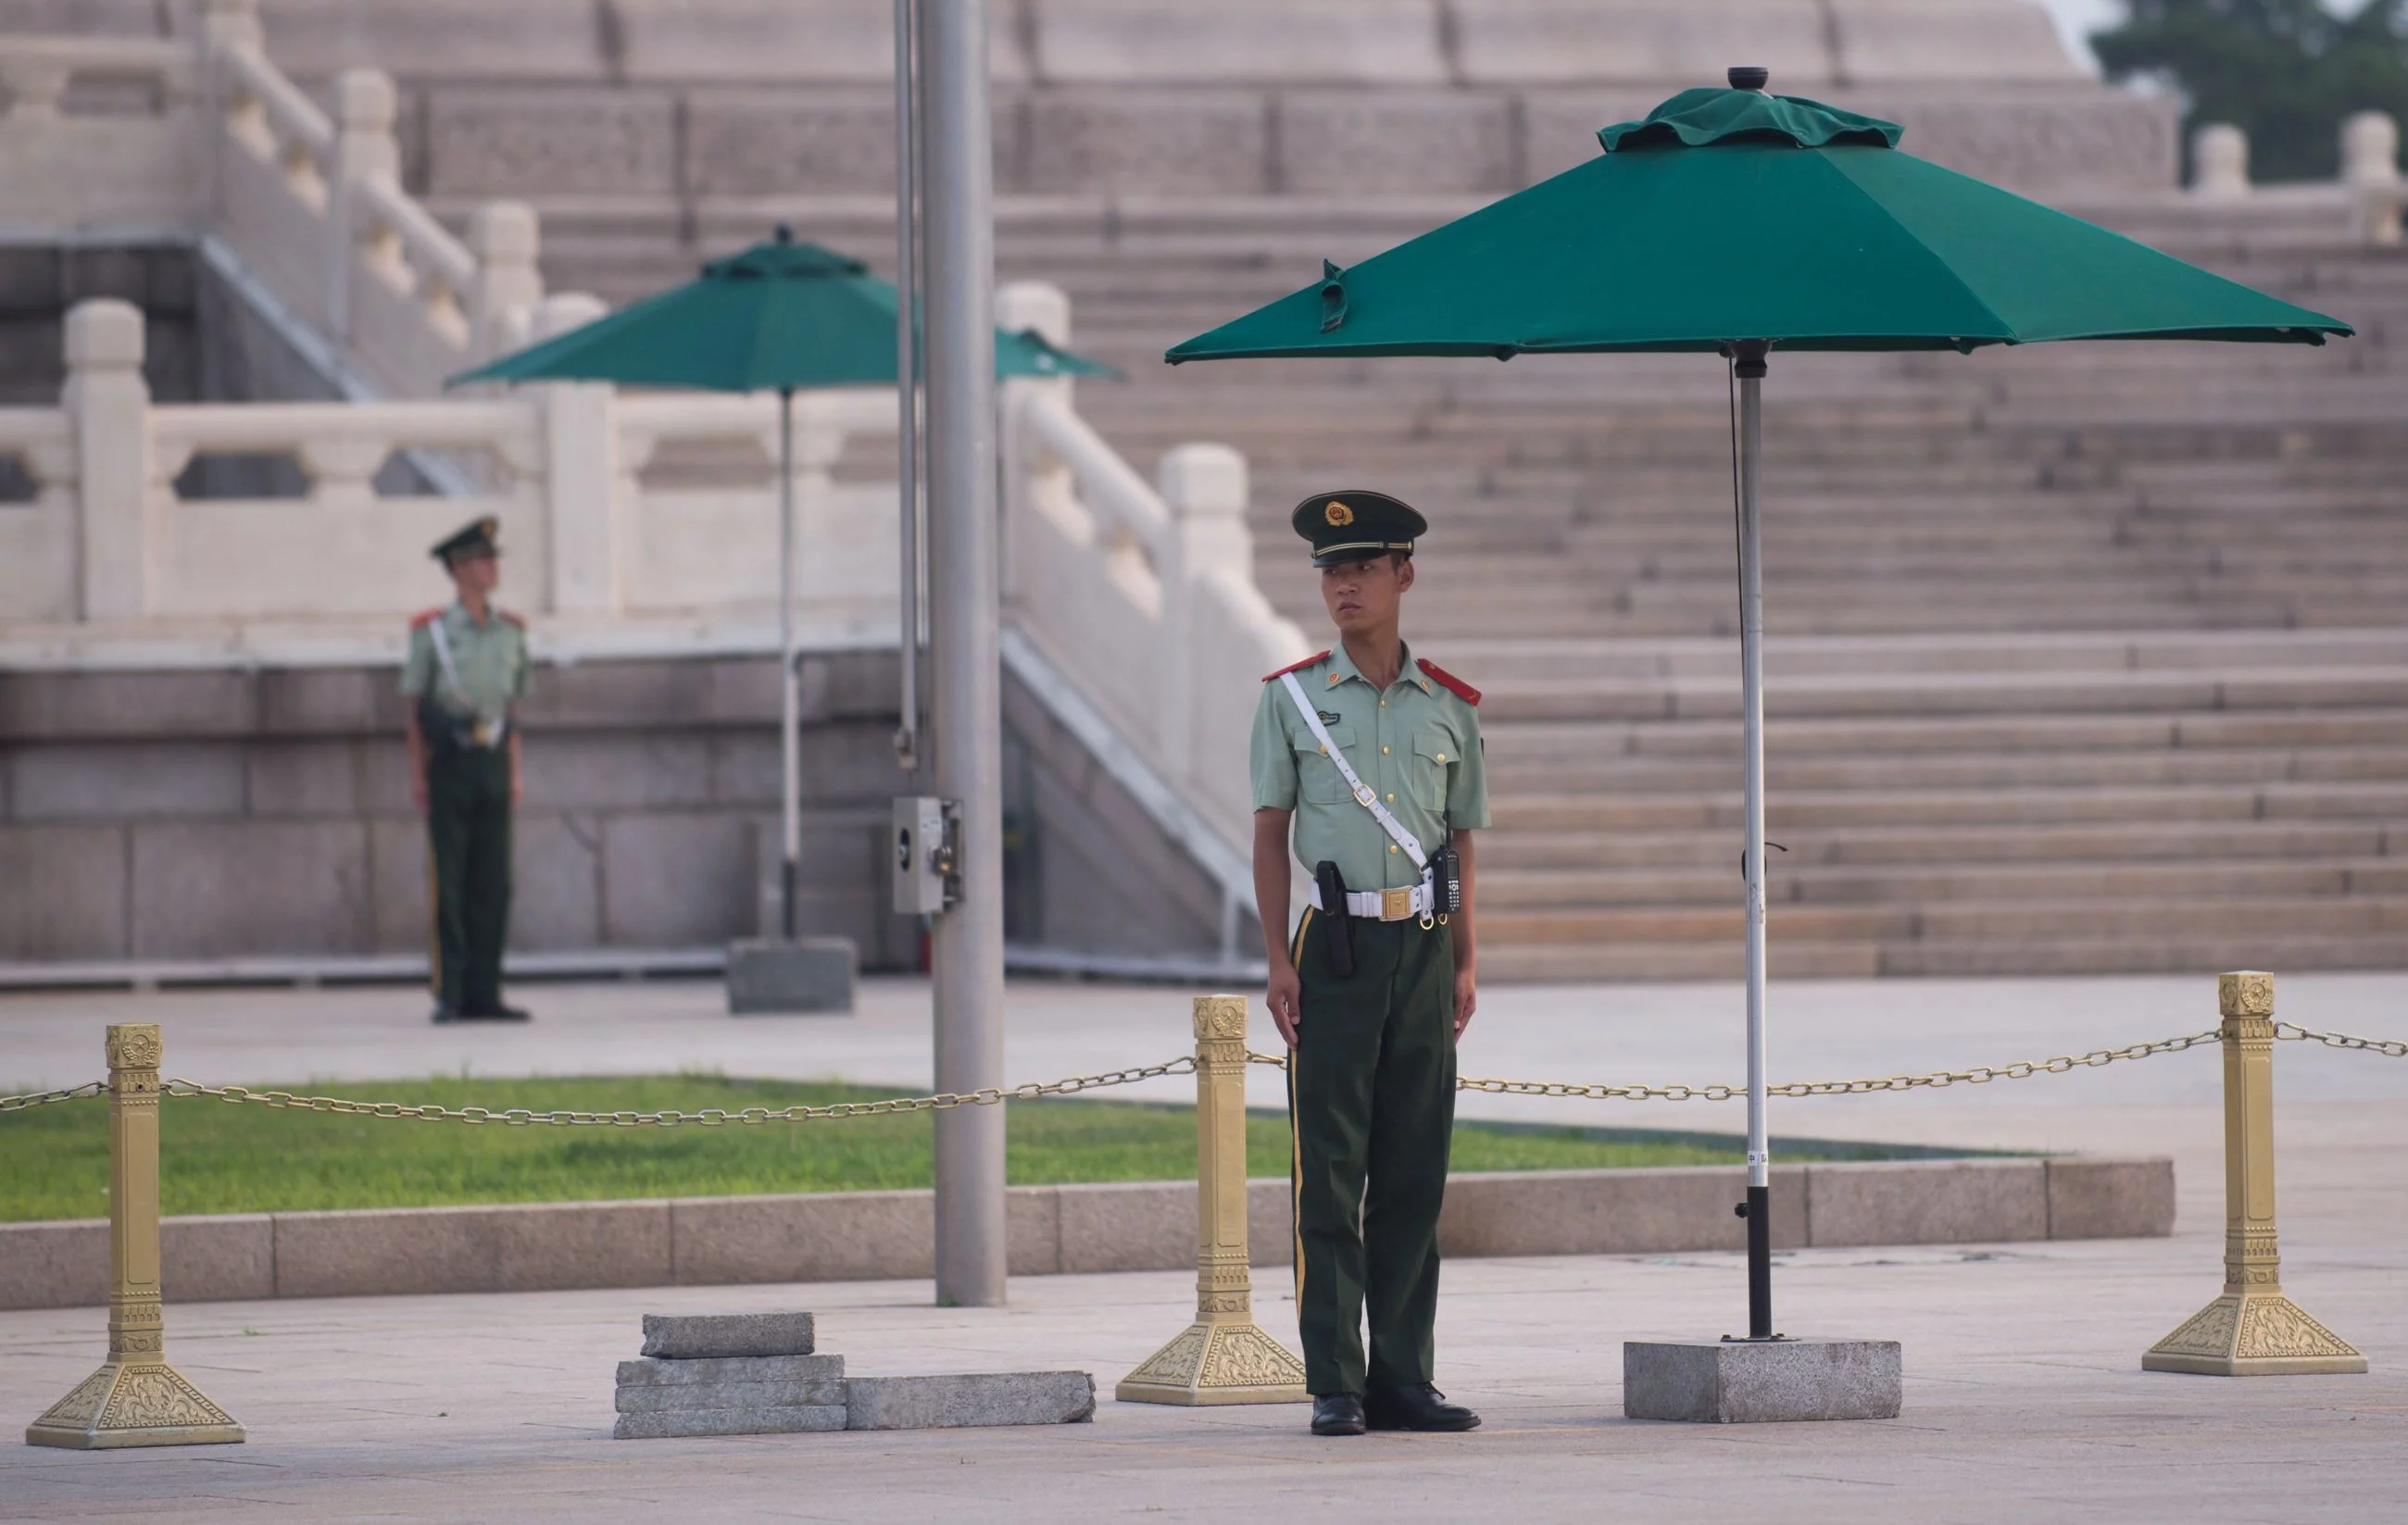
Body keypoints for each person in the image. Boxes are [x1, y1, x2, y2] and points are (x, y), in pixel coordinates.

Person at [1248, 489, 1488, 1438]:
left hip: (1425, 948)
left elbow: (1461, 844)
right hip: (1336, 948)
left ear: (1403, 576)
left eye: (1360, 568)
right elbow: (1271, 835)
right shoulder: (1291, 698)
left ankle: (1402, 1378)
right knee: (1331, 1168)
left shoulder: (1451, 708)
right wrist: (1275, 954)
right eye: (1329, 571)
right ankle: (1334, 1382)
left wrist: (1467, 961)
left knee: (1414, 1168)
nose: (1341, 585)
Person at [403, 516, 531, 1024]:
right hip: (450, 763)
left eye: (493, 559)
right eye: (483, 559)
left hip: (494, 762)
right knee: (449, 881)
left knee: (494, 881)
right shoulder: (431, 633)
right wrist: (418, 775)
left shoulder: (511, 632)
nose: (492, 567)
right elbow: (414, 714)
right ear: (458, 569)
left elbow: (513, 712)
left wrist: (515, 773)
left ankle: (487, 990)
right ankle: (450, 991)